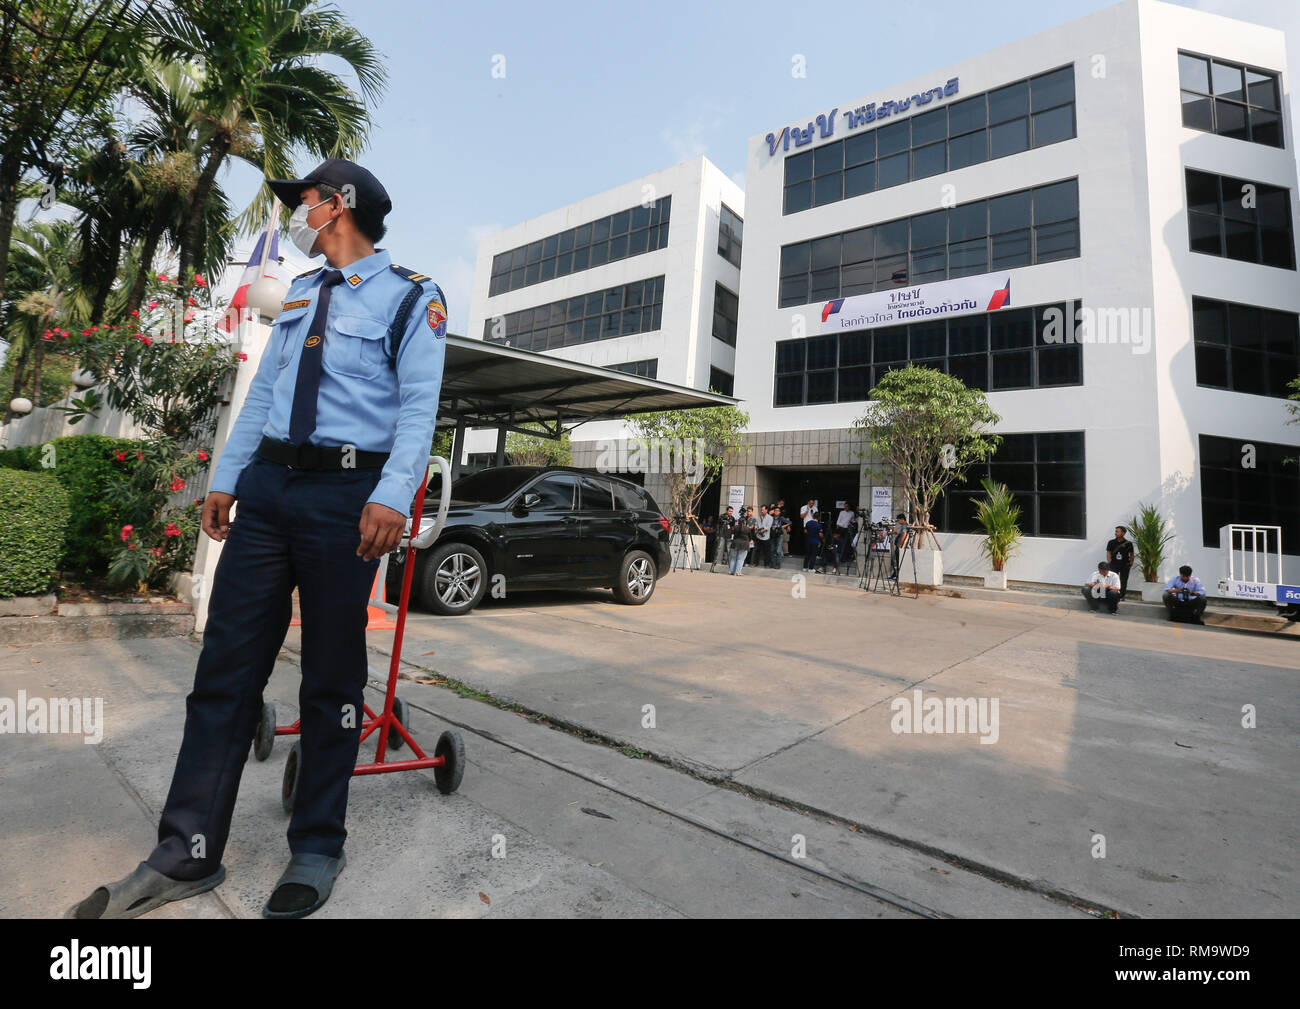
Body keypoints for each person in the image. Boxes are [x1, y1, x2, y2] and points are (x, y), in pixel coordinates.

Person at [69, 159, 447, 920]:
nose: (296, 213)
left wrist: (390, 495)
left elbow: (418, 407)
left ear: (336, 206)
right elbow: (269, 392)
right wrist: (226, 477)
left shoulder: (414, 297)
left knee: (333, 679)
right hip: (270, 494)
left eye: (303, 202)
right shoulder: (303, 292)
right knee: (225, 670)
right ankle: (186, 850)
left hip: (348, 497)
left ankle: (315, 845)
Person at [1106, 525, 1136, 598]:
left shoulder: (1128, 543)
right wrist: (1109, 561)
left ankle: (1121, 596)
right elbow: (1108, 552)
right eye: (1115, 531)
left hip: (1125, 564)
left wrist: (1130, 563)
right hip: (1113, 564)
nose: (1115, 533)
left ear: (1123, 533)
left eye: (1117, 531)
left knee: (1123, 580)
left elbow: (1131, 554)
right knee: (1113, 579)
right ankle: (1112, 594)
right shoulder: (1111, 542)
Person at [728, 511, 752, 575]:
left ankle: (731, 571)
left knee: (733, 558)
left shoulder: (735, 527)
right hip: (744, 545)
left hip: (735, 544)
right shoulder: (747, 529)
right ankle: (738, 572)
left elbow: (731, 533)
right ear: (745, 522)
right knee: (740, 559)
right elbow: (750, 537)